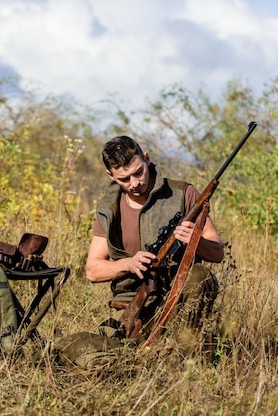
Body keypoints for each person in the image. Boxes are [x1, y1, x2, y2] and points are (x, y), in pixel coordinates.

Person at [85, 135, 224, 342]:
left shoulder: (183, 194)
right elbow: (92, 270)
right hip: (132, 304)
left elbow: (218, 252)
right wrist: (128, 264)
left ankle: (186, 354)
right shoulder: (109, 209)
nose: (134, 183)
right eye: (124, 179)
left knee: (200, 274)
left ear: (147, 159)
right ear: (110, 175)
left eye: (138, 172)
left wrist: (196, 241)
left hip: (181, 298)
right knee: (103, 351)